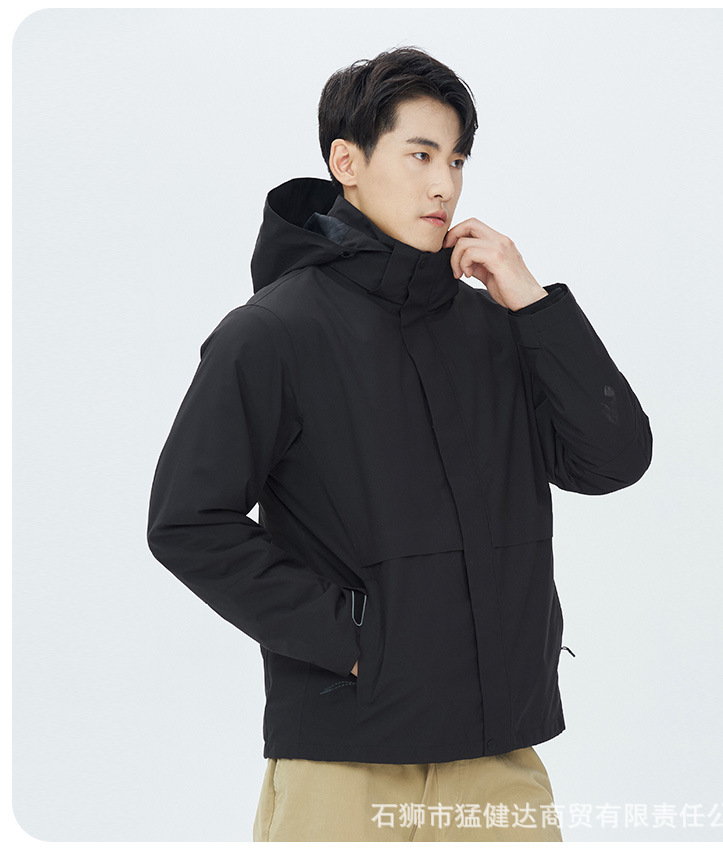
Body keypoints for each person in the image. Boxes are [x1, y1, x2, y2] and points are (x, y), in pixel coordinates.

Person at [147, 46, 652, 842]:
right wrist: (356, 642)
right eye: (420, 154)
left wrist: (532, 303)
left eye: (456, 159)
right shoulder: (273, 334)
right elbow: (188, 521)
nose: (444, 184)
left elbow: (612, 459)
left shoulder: (494, 326)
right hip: (345, 760)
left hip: (497, 754)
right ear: (346, 161)